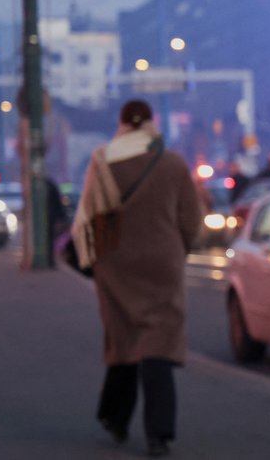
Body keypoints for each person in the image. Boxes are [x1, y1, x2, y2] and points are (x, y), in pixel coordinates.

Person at [71, 99, 203, 457]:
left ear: (121, 123)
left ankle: (114, 417)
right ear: (152, 123)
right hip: (163, 260)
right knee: (158, 342)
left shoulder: (102, 161)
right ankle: (159, 434)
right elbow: (192, 220)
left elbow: (92, 214)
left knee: (125, 337)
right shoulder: (172, 163)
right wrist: (179, 249)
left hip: (116, 263)